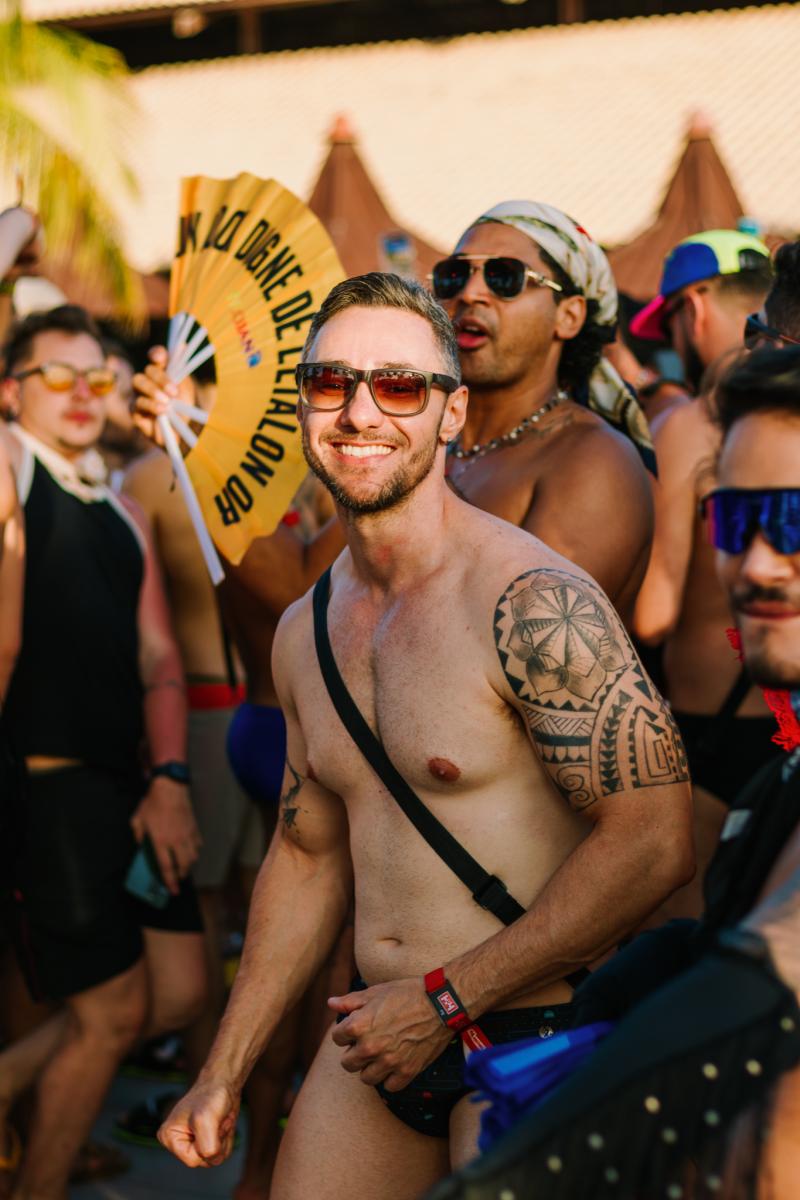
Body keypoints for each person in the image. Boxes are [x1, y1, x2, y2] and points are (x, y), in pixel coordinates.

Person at [151, 272, 693, 1199]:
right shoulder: (304, 631)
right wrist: (223, 1071)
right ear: (303, 404)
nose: (360, 412)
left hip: (535, 1030)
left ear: (452, 413)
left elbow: (655, 842)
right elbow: (307, 855)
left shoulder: (532, 603)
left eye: (399, 386)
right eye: (331, 382)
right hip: (379, 1042)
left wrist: (445, 1001)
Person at [433, 344, 800, 1200]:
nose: (756, 562)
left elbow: (758, 991)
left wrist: (509, 1181)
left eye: (792, 521)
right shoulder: (778, 783)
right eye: (734, 519)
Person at [0, 305, 207, 1200]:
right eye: (57, 375)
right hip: (49, 788)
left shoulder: (123, 508)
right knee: (110, 1011)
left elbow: (159, 656)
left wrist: (171, 777)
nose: (83, 393)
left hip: (133, 784)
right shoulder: (10, 467)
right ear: (11, 393)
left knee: (182, 991)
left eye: (99, 377)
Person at [632, 231, 780, 916]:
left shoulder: (692, 425)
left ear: (693, 308)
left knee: (694, 935)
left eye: (668, 326)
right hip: (783, 722)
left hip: (712, 730)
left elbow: (654, 614)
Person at [429, 201, 654, 627]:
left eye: (505, 277)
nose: (469, 293)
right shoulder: (428, 443)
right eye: (453, 275)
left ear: (568, 316)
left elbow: (523, 640)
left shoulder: (592, 461)